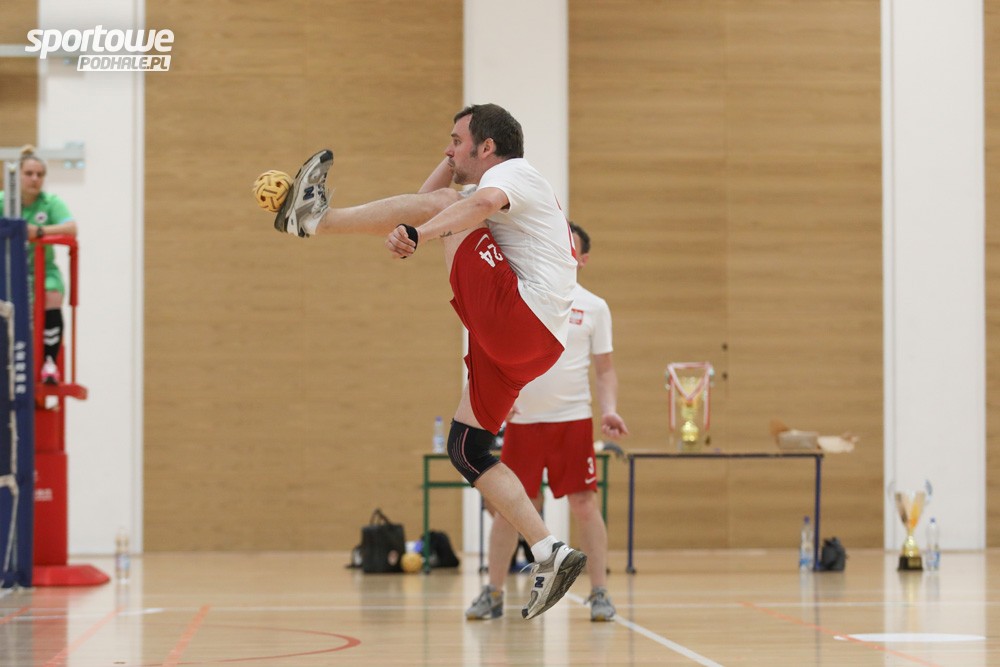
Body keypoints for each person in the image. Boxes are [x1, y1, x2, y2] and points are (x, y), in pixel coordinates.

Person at [273, 103, 587, 620]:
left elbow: (461, 205)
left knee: (446, 203)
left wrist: (419, 234)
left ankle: (314, 221)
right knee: (467, 447)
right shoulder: (497, 178)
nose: (448, 150)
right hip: (531, 343)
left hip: (519, 318)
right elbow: (421, 206)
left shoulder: (513, 173)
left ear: (488, 147)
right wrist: (423, 214)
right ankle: (549, 550)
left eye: (456, 141)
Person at [466, 222, 628, 622]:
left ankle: (600, 592)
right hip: (524, 422)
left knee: (583, 504)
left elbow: (605, 370)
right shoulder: (524, 294)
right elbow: (496, 354)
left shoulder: (594, 307)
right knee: (510, 507)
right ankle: (493, 592)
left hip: (572, 420)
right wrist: (496, 403)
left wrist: (609, 408)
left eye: (571, 247)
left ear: (582, 259)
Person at [0, 146, 78, 384]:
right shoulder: (3, 201)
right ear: (17, 176)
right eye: (29, 173)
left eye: (40, 174)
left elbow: (71, 228)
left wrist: (39, 232)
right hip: (8, 272)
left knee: (52, 294)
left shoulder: (50, 202)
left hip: (42, 272)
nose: (35, 179)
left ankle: (49, 363)